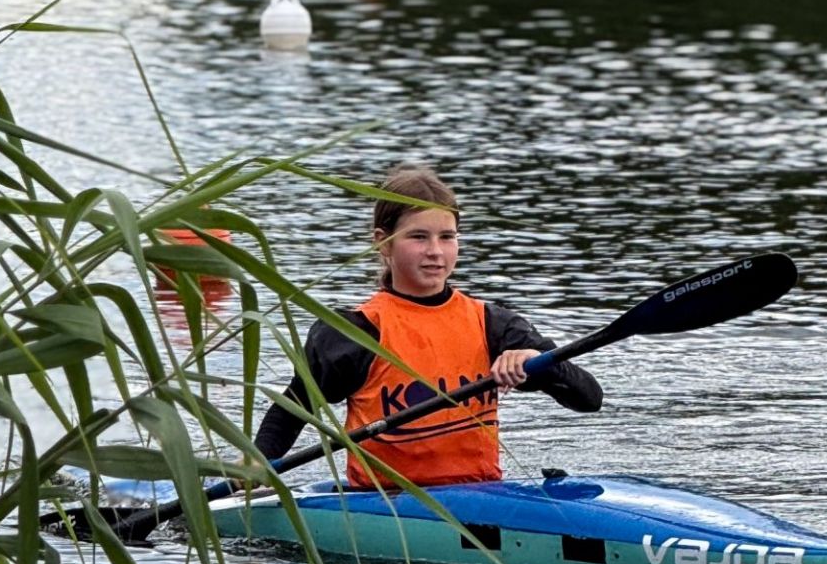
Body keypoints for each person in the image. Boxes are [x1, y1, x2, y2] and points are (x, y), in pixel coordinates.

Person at [252, 164, 602, 489]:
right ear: (383, 242)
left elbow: (589, 399)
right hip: (385, 503)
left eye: (447, 237)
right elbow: (293, 408)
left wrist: (536, 362)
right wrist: (256, 462)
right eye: (419, 237)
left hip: (481, 497)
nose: (435, 251)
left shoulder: (494, 324)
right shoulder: (356, 331)